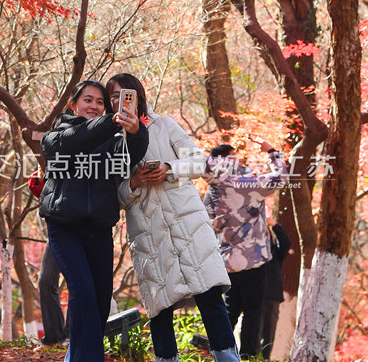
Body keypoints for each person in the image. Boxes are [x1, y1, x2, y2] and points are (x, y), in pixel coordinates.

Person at [109, 73, 240, 362]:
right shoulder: (110, 139)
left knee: (209, 294)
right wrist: (134, 183)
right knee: (160, 305)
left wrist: (169, 167)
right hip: (147, 229)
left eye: (126, 94)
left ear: (139, 96)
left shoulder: (164, 125)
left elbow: (198, 162)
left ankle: (228, 358)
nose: (121, 101)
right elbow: (115, 195)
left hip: (187, 221)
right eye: (114, 97)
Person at [39, 79, 147, 362]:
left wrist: (136, 131)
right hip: (64, 227)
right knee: (83, 292)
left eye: (100, 102)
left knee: (99, 301)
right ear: (73, 104)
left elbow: (131, 156)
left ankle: (77, 356)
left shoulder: (112, 141)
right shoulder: (55, 136)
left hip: (99, 229)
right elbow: (77, 139)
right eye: (88, 100)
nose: (94, 106)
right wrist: (113, 121)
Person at [204, 139, 287, 358]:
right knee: (253, 310)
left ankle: (220, 352)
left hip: (227, 261)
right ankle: (248, 356)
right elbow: (281, 177)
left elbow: (207, 223)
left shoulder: (212, 191)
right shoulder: (247, 182)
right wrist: (272, 151)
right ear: (230, 158)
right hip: (253, 259)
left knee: (231, 308)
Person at [29, 171, 69, 345]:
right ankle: (54, 337)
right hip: (58, 227)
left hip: (84, 224)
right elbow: (42, 191)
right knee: (45, 280)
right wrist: (39, 177)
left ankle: (72, 335)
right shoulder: (52, 154)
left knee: (78, 282)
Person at [259, 220, 291, 358]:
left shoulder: (276, 252)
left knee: (269, 334)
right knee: (253, 333)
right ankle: (249, 357)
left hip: (272, 298)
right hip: (255, 299)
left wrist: (273, 224)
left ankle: (265, 358)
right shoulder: (250, 255)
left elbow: (285, 242)